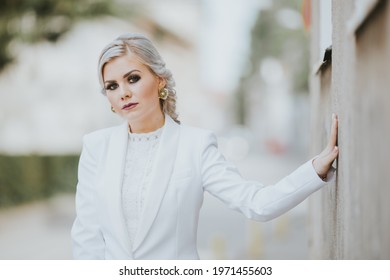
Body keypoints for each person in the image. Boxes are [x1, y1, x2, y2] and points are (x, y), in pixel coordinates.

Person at [71, 33, 339, 260]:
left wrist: (315, 169)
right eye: (112, 86)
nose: (123, 93)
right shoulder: (96, 148)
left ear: (159, 80)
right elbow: (86, 240)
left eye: (133, 79)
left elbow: (257, 203)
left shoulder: (195, 145)